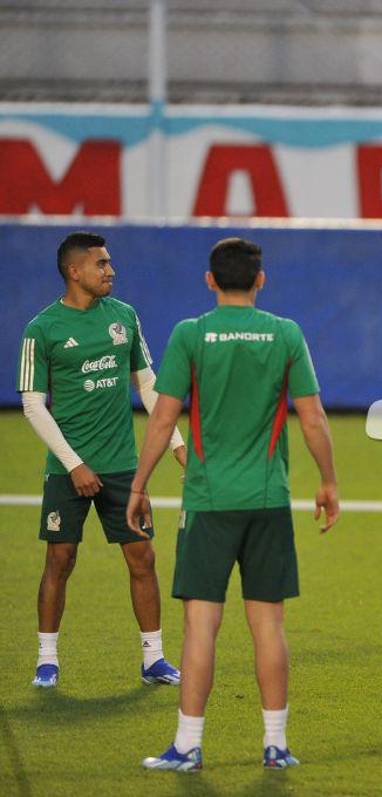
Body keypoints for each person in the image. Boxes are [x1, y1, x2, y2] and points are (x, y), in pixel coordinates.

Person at [131, 237, 340, 772]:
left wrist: (138, 486)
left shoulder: (191, 335)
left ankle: (188, 745)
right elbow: (313, 418)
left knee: (201, 627)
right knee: (268, 627)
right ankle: (275, 745)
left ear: (209, 280)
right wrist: (328, 481)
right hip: (268, 502)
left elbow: (162, 419)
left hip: (208, 502)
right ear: (261, 279)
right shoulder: (285, 334)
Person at [17, 231, 185, 689]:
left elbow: (148, 385)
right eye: (101, 264)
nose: (111, 270)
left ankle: (153, 658)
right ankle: (46, 659)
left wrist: (176, 443)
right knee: (60, 558)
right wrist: (73, 464)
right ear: (75, 271)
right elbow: (34, 405)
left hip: (122, 466)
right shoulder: (42, 329)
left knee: (142, 557)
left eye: (109, 263)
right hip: (67, 469)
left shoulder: (124, 317)